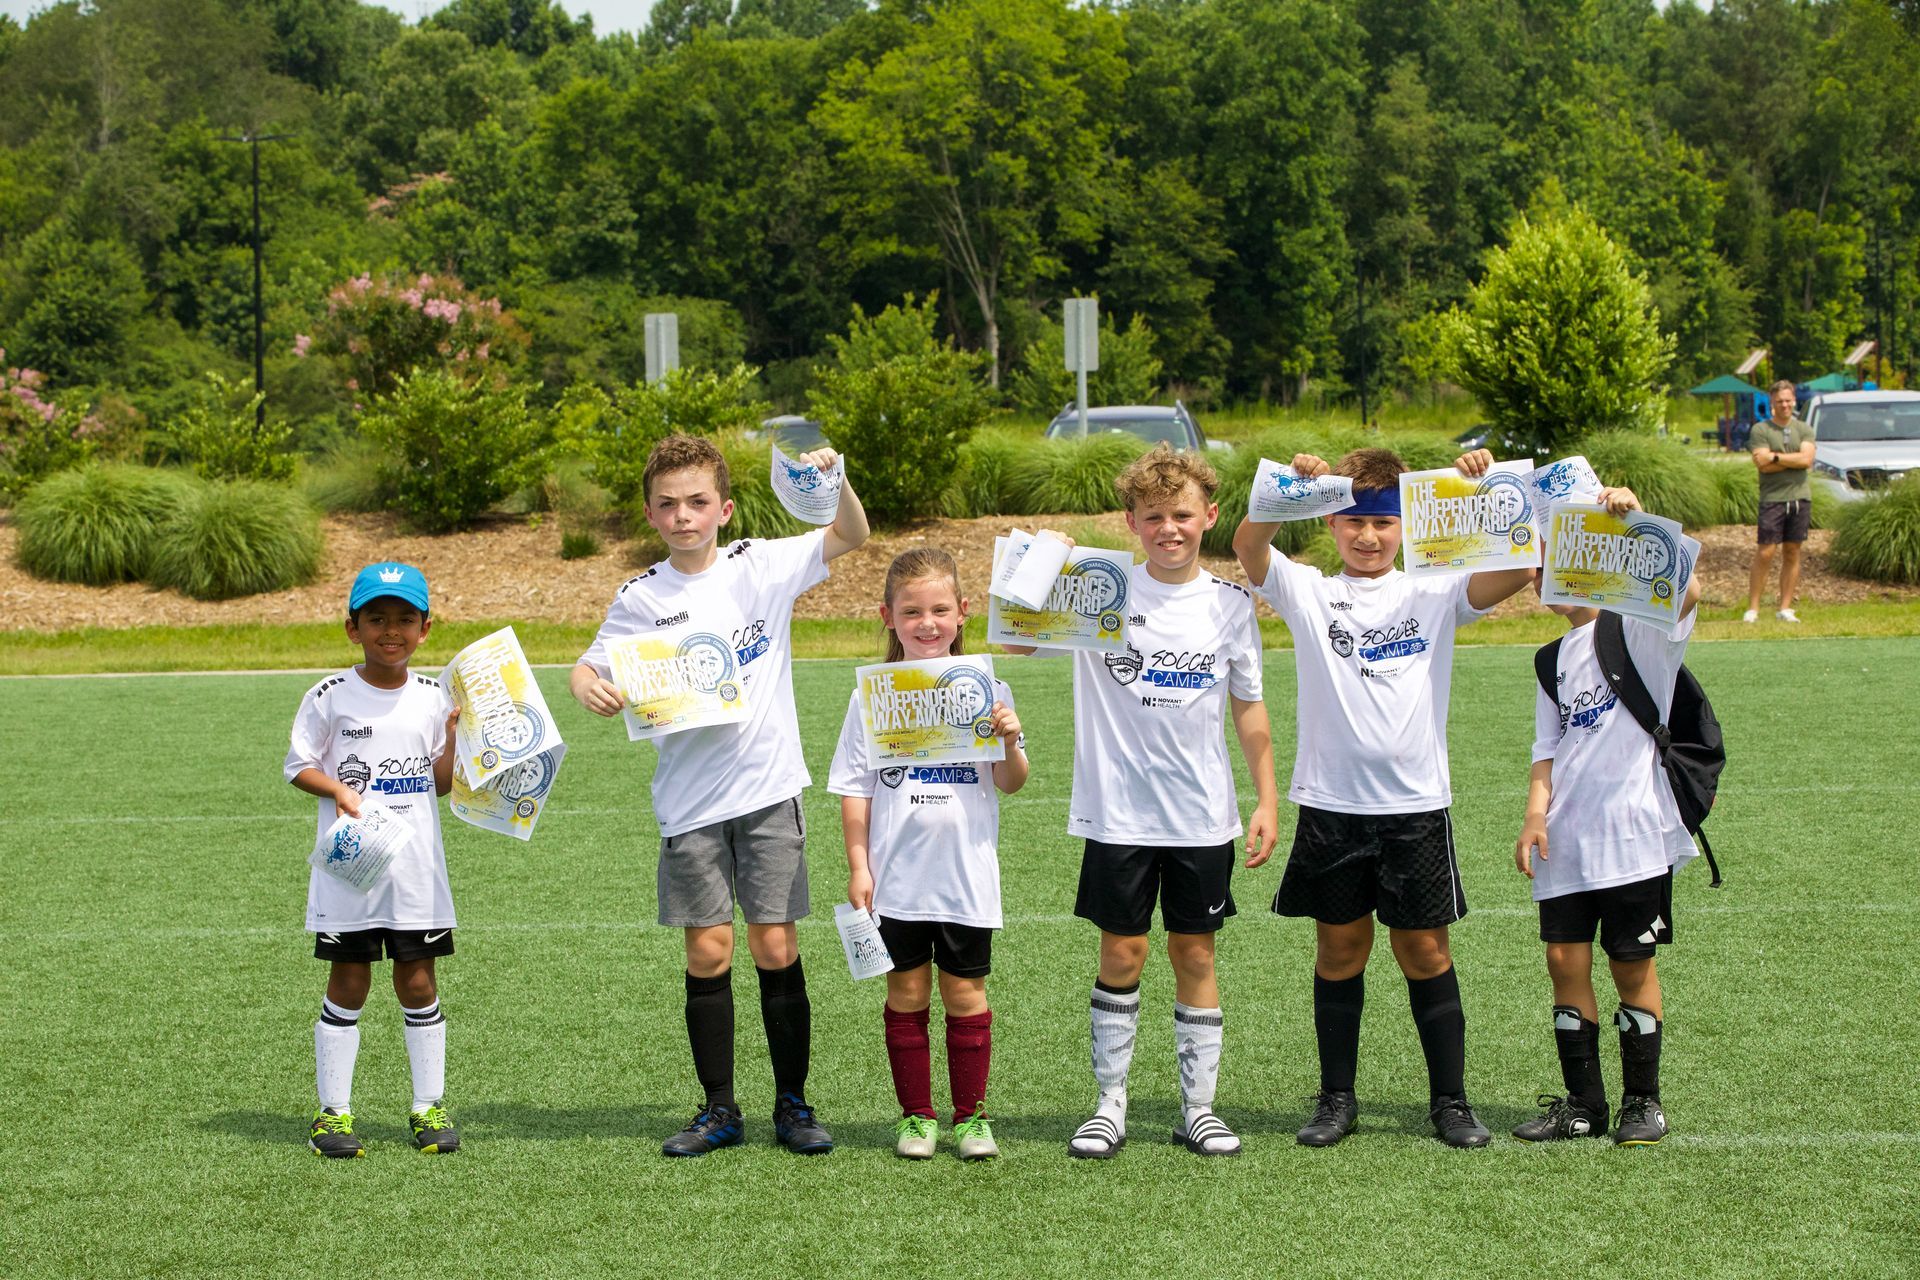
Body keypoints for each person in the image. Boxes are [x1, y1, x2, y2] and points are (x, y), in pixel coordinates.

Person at [570, 434, 869, 1157]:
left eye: (698, 502)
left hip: (768, 790)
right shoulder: (640, 596)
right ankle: (719, 1109)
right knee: (708, 951)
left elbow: (852, 534)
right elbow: (588, 665)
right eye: (668, 504)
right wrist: (587, 687)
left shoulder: (761, 564)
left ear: (725, 509)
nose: (684, 516)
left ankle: (793, 1105)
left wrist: (835, 480)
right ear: (650, 513)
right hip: (689, 803)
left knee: (775, 943)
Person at [1232, 447, 1532, 1149]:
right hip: (1331, 806)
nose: (1368, 536)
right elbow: (1248, 544)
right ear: (1332, 523)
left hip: (1415, 808)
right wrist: (1295, 487)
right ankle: (1336, 1098)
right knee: (1340, 952)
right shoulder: (1308, 590)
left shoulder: (1435, 588)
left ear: (1407, 525)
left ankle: (1450, 1101)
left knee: (1425, 951)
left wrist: (1485, 487)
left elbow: (1521, 567)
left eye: (1384, 522)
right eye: (1354, 522)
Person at [1007, 443, 1280, 1159]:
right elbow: (1017, 645)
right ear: (1130, 522)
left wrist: (1267, 799)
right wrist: (1046, 557)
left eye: (1182, 515)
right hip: (1118, 814)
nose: (1169, 529)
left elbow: (1249, 706)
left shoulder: (1229, 605)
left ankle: (1199, 1109)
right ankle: (1110, 1106)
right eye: (1153, 516)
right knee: (1122, 953)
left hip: (1201, 816)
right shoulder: (1102, 589)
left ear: (1209, 517)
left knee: (1195, 955)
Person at [1513, 486, 1703, 1145]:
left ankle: (1643, 1104)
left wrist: (1636, 521)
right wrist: (1535, 816)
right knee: (1564, 960)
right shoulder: (1550, 659)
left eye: (1556, 559)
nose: (1543, 574)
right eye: (1539, 565)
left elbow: (1688, 590)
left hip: (1633, 836)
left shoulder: (1637, 630)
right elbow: (1547, 750)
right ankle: (1584, 1104)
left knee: (1630, 963)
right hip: (1566, 840)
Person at [828, 549, 1029, 1160]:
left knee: (966, 997)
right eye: (912, 611)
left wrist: (1010, 741)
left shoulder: (989, 689)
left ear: (963, 611)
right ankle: (917, 1118)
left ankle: (971, 1119)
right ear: (887, 616)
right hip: (898, 878)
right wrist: (859, 866)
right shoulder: (871, 697)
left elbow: (1011, 782)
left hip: (965, 876)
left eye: (940, 609)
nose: (927, 623)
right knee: (906, 996)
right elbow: (856, 790)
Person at [286, 562, 462, 1158]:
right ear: (352, 628)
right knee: (349, 980)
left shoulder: (435, 697)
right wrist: (336, 789)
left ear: (425, 629)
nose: (392, 630)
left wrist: (455, 738)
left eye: (405, 619)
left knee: (418, 980)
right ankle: (333, 1113)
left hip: (415, 874)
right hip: (352, 871)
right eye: (377, 619)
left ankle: (428, 1106)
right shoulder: (329, 696)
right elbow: (298, 765)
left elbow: (439, 782)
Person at [1746, 379, 1816, 623]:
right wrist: (1791, 460)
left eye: (1788, 400)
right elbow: (1761, 464)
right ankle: (1753, 609)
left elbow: (1806, 460)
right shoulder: (1761, 430)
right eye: (1779, 401)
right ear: (1772, 403)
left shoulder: (1804, 429)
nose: (1784, 405)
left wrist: (1775, 457)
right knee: (1766, 552)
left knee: (1792, 551)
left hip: (1800, 497)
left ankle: (1785, 608)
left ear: (1794, 400)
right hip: (1772, 499)